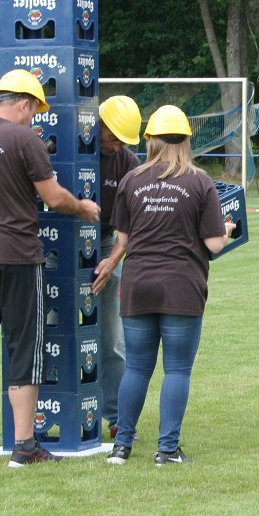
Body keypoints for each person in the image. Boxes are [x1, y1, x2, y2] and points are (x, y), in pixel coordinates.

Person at [0, 70, 100, 466]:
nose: (34, 119)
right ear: (24, 104)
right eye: (35, 111)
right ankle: (25, 445)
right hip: (16, 257)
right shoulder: (25, 140)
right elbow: (53, 197)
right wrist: (82, 207)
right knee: (25, 349)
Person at [92, 105, 235, 466]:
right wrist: (227, 230)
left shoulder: (131, 180)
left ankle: (121, 446)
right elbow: (214, 243)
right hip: (182, 287)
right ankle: (167, 449)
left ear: (150, 140)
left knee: (137, 368)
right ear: (186, 141)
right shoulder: (199, 182)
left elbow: (123, 239)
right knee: (177, 370)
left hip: (138, 284)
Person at [96, 95, 141, 439]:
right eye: (113, 137)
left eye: (124, 140)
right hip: (56, 246)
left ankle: (116, 418)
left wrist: (111, 262)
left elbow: (128, 226)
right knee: (52, 332)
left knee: (112, 340)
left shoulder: (128, 162)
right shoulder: (66, 148)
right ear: (99, 124)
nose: (117, 145)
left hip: (106, 243)